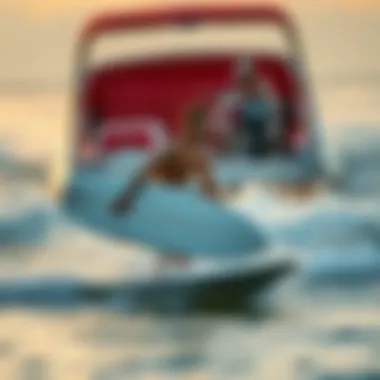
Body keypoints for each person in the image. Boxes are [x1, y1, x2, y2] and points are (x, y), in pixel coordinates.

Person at [110, 104, 218, 271]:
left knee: (174, 260)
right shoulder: (176, 151)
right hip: (169, 210)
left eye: (201, 125)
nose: (200, 129)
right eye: (198, 124)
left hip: (178, 212)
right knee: (171, 259)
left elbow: (210, 190)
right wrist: (125, 200)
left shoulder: (197, 155)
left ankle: (169, 278)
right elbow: (144, 174)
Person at [235, 69, 279, 157]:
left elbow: (269, 105)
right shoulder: (245, 92)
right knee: (252, 139)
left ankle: (261, 153)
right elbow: (243, 104)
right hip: (251, 119)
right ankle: (253, 153)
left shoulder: (262, 89)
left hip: (259, 119)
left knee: (259, 139)